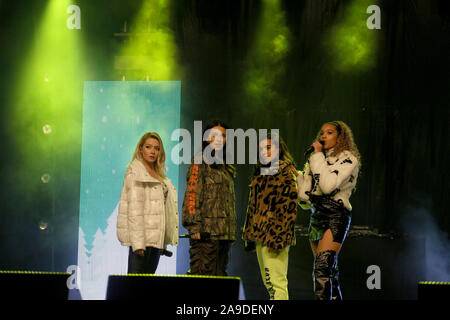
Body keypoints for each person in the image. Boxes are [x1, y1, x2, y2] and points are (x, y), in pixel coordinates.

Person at [297, 121, 361, 300]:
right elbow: (304, 198)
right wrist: (300, 177)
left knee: (322, 268)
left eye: (329, 132)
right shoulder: (318, 159)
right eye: (322, 132)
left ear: (340, 137)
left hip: (336, 214)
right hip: (316, 215)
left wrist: (317, 157)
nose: (323, 136)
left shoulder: (348, 159)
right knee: (329, 271)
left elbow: (327, 186)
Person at [242, 132, 299, 300]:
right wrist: (250, 235)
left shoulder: (284, 172)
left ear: (279, 148)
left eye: (268, 147)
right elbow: (253, 209)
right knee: (270, 285)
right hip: (260, 235)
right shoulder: (261, 173)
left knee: (277, 283)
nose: (264, 152)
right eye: (260, 149)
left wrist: (278, 237)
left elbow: (288, 209)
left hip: (274, 236)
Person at [117, 132, 179, 274]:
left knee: (148, 287)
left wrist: (162, 241)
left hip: (155, 242)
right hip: (142, 243)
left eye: (156, 148)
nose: (152, 151)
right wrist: (138, 244)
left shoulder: (161, 175)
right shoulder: (135, 172)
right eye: (148, 147)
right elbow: (134, 210)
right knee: (134, 288)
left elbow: (162, 211)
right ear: (140, 149)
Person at [181, 120, 237, 276]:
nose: (219, 139)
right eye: (214, 135)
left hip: (224, 235)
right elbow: (192, 195)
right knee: (202, 280)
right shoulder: (200, 161)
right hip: (205, 235)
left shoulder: (227, 166)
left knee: (219, 283)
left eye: (223, 136)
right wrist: (194, 227)